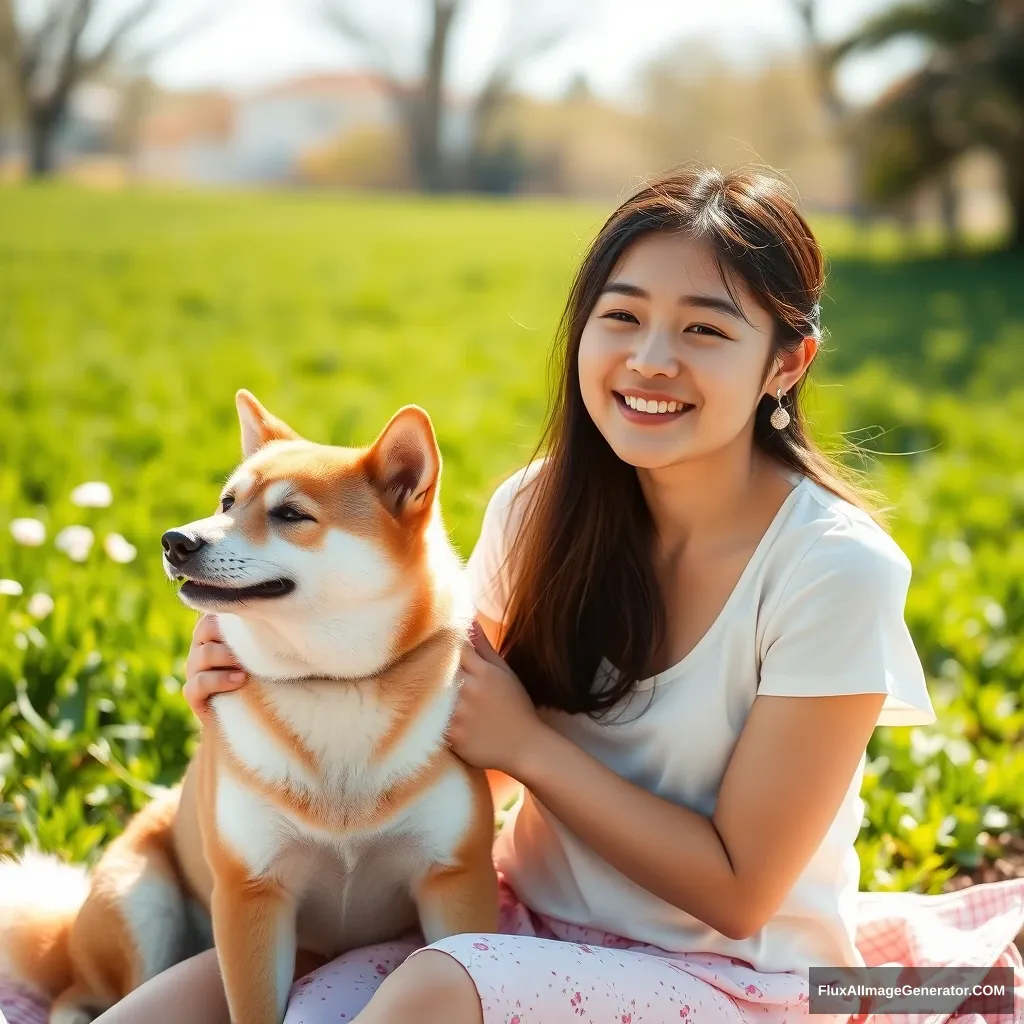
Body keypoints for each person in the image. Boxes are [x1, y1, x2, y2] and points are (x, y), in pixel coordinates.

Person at [4, 166, 1021, 1024]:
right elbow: (457, 751)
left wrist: (531, 746)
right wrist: (269, 669)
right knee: (168, 1012)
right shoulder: (539, 509)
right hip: (516, 922)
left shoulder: (832, 568)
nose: (650, 359)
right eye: (620, 317)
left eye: (704, 331)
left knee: (430, 992)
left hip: (738, 978)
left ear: (785, 362)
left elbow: (739, 886)